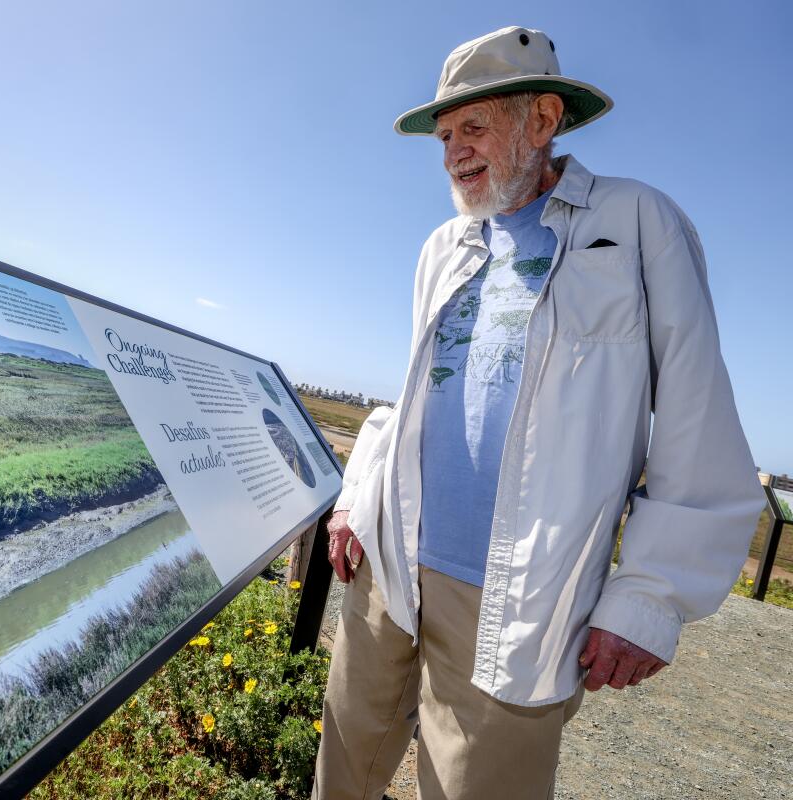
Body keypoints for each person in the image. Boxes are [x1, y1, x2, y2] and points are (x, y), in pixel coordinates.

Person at [312, 25, 764, 800]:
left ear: (544, 121)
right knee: (342, 768)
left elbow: (695, 410)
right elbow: (418, 396)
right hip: (389, 563)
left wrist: (650, 596)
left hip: (518, 596)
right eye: (445, 134)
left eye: (474, 127)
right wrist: (358, 496)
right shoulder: (443, 248)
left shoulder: (636, 223)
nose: (454, 150)